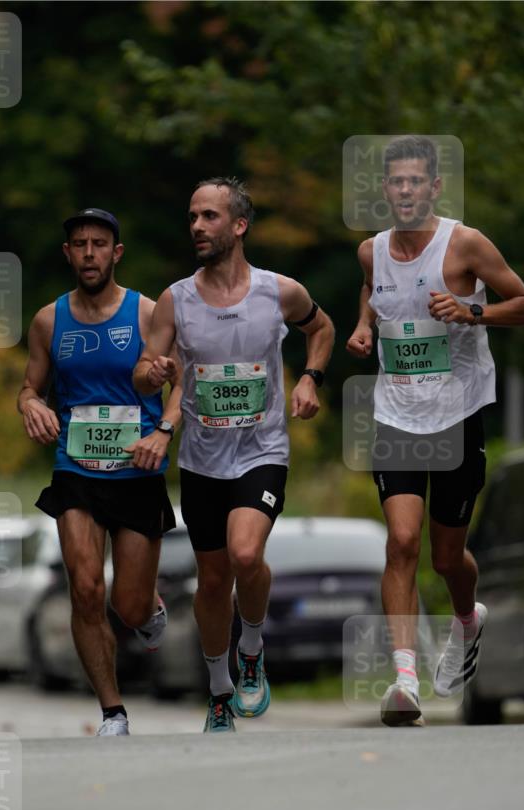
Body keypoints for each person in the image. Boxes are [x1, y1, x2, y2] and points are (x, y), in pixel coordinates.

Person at [346, 136, 524, 727]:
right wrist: (361, 328)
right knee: (401, 544)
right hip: (396, 412)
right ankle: (405, 681)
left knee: (448, 556)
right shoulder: (370, 252)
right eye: (395, 182)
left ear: (433, 187)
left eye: (415, 182)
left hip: (456, 413)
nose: (404, 191)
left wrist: (472, 310)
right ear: (385, 190)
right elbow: (374, 296)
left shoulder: (466, 244)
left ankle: (465, 620)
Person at [133, 178, 334, 732]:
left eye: (209, 217)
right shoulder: (177, 298)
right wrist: (156, 372)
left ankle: (252, 647)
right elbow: (145, 374)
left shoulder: (278, 291)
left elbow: (323, 328)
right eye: (192, 216)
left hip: (262, 451)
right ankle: (220, 690)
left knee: (247, 555)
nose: (197, 226)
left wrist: (312, 379)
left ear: (239, 226)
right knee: (214, 580)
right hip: (201, 460)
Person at [18, 207, 181, 736]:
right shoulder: (48, 321)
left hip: (136, 472)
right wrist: (30, 406)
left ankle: (145, 609)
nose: (90, 253)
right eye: (80, 244)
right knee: (84, 588)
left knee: (126, 605)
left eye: (100, 244)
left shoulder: (147, 313)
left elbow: (181, 382)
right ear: (67, 254)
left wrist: (163, 432)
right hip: (75, 470)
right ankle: (113, 711)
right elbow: (30, 387)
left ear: (117, 253)